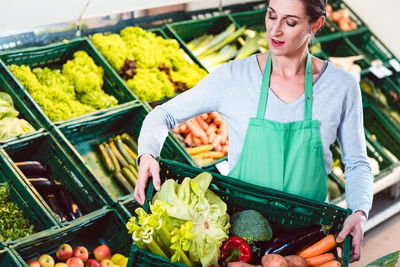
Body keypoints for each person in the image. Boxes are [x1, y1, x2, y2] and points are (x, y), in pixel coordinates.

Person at [134, 0, 373, 262]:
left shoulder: (342, 86)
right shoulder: (234, 77)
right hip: (237, 240)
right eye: (271, 16)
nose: (275, 30)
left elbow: (358, 163)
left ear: (316, 24)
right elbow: (163, 114)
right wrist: (147, 154)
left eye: (290, 22)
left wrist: (360, 212)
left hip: (308, 240)